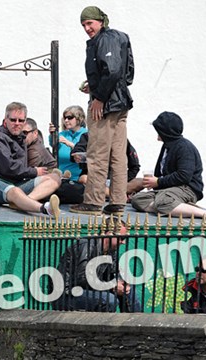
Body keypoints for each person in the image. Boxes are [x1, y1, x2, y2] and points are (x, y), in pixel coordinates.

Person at [70, 6, 134, 216]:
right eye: (83, 25)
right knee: (118, 155)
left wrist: (99, 97)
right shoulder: (121, 37)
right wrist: (96, 86)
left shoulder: (104, 39)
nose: (87, 28)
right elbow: (127, 73)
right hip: (121, 103)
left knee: (97, 153)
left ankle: (94, 202)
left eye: (90, 23)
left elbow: (113, 70)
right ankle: (117, 202)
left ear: (101, 21)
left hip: (105, 106)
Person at [129, 111, 206, 223]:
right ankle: (178, 207)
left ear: (165, 131)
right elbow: (161, 173)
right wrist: (154, 183)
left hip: (187, 188)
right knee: (137, 200)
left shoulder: (184, 147)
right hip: (169, 189)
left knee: (162, 202)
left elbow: (184, 176)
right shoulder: (167, 146)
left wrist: (158, 182)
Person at [0, 102, 61, 219]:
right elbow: (8, 168)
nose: (17, 124)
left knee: (55, 178)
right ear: (5, 121)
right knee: (14, 191)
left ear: (25, 122)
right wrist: (35, 172)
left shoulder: (21, 139)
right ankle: (45, 208)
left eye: (20, 120)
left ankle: (22, 203)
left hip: (12, 184)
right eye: (13, 120)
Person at [53, 218, 141, 312]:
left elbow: (114, 273)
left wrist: (122, 283)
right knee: (108, 300)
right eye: (122, 238)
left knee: (129, 292)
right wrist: (111, 286)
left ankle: (134, 325)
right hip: (66, 293)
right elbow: (82, 279)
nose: (124, 242)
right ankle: (104, 326)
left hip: (89, 290)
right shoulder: (87, 246)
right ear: (109, 234)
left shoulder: (111, 252)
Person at [49, 105, 88, 182]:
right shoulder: (62, 134)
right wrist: (52, 134)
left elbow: (89, 156)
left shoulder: (87, 134)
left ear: (79, 118)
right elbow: (52, 144)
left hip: (80, 179)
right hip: (61, 178)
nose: (66, 120)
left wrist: (70, 144)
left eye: (70, 117)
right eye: (65, 118)